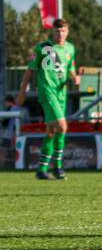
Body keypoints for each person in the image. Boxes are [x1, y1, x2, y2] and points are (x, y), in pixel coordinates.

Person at [16, 17, 80, 180]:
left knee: (52, 131)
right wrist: (22, 92)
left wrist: (75, 78)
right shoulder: (43, 48)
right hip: (47, 92)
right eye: (57, 31)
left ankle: (41, 169)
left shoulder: (70, 48)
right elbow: (30, 70)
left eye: (63, 31)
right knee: (63, 127)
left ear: (67, 31)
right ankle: (58, 168)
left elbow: (70, 68)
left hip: (61, 94)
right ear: (52, 31)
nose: (60, 34)